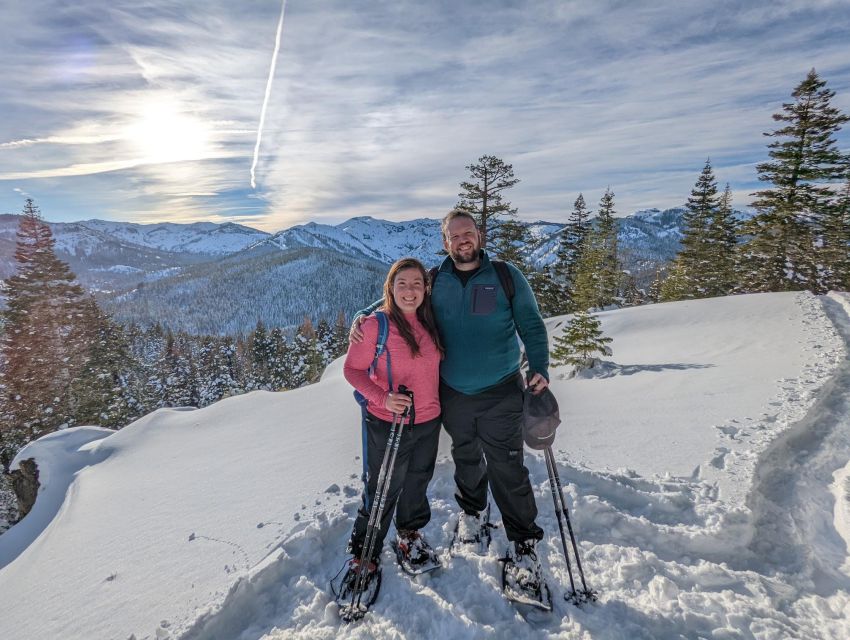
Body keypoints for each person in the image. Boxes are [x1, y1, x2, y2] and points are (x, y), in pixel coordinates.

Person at [351, 209, 551, 598]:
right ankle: (473, 514)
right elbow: (394, 301)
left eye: (468, 233)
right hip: (453, 394)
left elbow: (531, 323)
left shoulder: (506, 276)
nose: (463, 241)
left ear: (480, 235)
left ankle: (524, 545)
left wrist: (539, 365)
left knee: (508, 466)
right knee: (466, 456)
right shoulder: (435, 278)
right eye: (454, 236)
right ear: (445, 242)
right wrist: (361, 316)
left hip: (501, 390)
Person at [342, 257, 444, 581]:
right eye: (402, 284)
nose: (410, 291)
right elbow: (352, 370)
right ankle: (365, 551)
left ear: (426, 288)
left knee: (417, 482)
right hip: (387, 421)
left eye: (417, 284)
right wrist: (383, 398)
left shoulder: (432, 321)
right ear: (390, 288)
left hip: (428, 420)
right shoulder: (375, 325)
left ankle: (408, 535)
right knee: (382, 486)